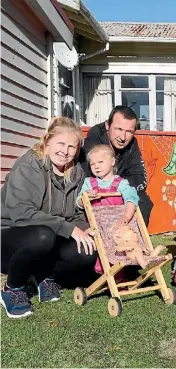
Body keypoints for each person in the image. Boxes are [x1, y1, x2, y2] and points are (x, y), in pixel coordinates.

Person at [1, 117, 97, 318]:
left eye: (72, 146)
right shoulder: (29, 166)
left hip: (49, 236)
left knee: (86, 250)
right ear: (47, 141)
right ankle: (13, 288)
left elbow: (77, 213)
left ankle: (46, 276)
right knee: (42, 236)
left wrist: (84, 228)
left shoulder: (77, 172)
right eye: (61, 143)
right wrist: (69, 229)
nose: (65, 151)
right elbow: (22, 214)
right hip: (10, 236)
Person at [79, 106, 153, 226]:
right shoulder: (94, 141)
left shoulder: (132, 144)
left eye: (129, 132)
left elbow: (139, 177)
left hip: (119, 187)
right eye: (119, 129)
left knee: (143, 200)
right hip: (95, 192)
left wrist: (121, 188)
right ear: (107, 125)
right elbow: (86, 175)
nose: (123, 137)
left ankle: (133, 240)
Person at [76, 144, 141, 273]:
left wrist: (126, 216)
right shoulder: (89, 183)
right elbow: (78, 202)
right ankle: (108, 274)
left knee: (120, 248)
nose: (96, 166)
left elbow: (131, 199)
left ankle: (119, 274)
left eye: (100, 162)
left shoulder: (121, 183)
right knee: (99, 248)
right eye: (93, 164)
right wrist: (85, 197)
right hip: (98, 226)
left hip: (116, 226)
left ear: (112, 162)